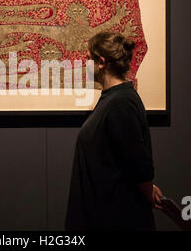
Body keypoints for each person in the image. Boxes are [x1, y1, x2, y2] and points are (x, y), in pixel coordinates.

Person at [65, 31, 164, 231]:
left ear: (101, 62)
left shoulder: (121, 103)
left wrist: (147, 188)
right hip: (105, 215)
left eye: (88, 59)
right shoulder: (112, 99)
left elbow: (139, 164)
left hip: (116, 219)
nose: (85, 65)